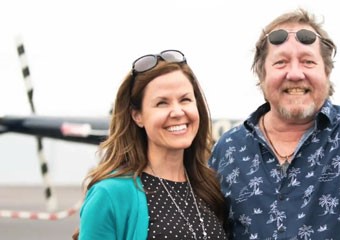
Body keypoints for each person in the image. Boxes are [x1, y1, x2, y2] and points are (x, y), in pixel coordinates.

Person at [209, 0, 340, 239]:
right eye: (281, 62)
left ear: (327, 73)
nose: (296, 74)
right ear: (262, 74)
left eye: (308, 62)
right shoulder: (228, 149)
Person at [73, 50, 228, 239]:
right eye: (162, 103)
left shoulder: (210, 188)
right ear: (137, 116)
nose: (178, 112)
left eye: (185, 99)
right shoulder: (110, 194)